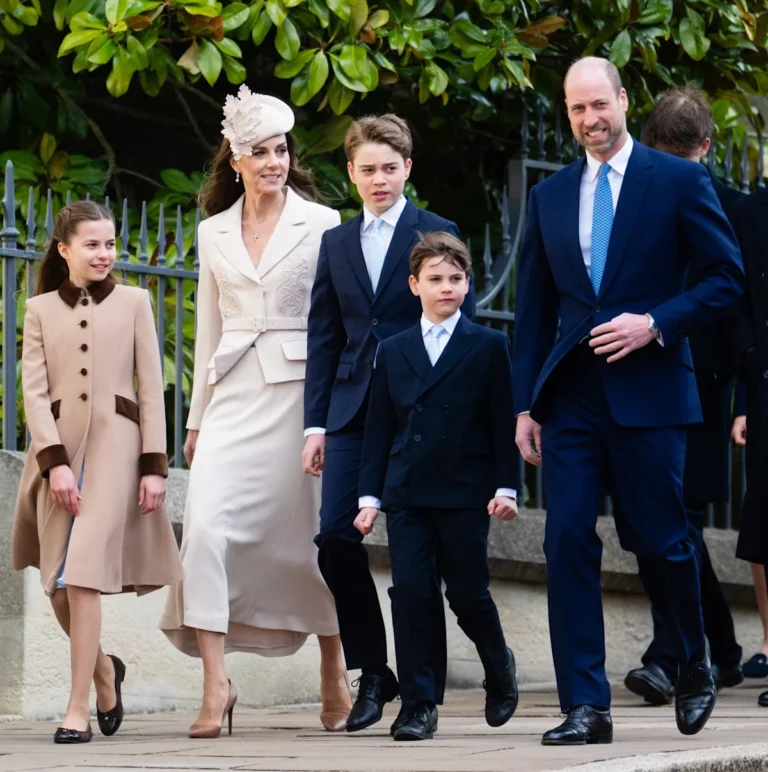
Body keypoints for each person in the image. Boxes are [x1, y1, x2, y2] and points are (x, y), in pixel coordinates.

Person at [513, 57, 744, 745]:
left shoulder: (676, 179)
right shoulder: (550, 197)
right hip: (573, 397)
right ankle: (586, 705)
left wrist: (657, 322)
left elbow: (724, 278)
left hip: (650, 390)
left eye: (599, 105)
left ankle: (693, 660)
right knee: (565, 539)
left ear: (620, 99)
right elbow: (532, 310)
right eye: (577, 109)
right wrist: (526, 405)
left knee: (660, 539)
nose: (590, 120)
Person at [159, 87, 351, 737]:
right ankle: (216, 686)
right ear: (234, 161)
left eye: (281, 149)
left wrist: (337, 411)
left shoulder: (323, 224)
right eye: (259, 152)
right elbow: (209, 330)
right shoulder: (212, 232)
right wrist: (194, 419)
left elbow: (338, 325)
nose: (273, 161)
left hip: (304, 397)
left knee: (311, 541)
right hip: (233, 398)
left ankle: (333, 666)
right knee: (206, 533)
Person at [302, 115, 476, 734]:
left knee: (415, 561)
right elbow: (324, 337)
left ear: (408, 169)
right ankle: (374, 669)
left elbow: (466, 336)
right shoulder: (337, 242)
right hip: (350, 413)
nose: (379, 179)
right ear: (350, 173)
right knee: (333, 539)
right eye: (367, 169)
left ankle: (422, 697)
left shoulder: (439, 232)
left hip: (419, 414)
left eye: (390, 167)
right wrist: (314, 425)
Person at [11, 201, 183, 744]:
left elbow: (152, 388)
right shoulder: (38, 309)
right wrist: (54, 463)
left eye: (110, 244)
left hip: (118, 451)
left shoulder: (135, 301)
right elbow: (34, 395)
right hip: (60, 455)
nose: (104, 253)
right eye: (92, 244)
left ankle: (77, 706)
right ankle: (106, 672)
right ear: (64, 250)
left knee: (82, 575)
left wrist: (155, 466)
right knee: (59, 587)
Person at [354, 232, 519, 741]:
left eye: (455, 279)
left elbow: (501, 423)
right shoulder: (393, 348)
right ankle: (420, 704)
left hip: (466, 490)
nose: (446, 288)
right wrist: (368, 497)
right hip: (407, 491)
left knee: (467, 594)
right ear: (413, 284)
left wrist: (506, 488)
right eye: (435, 279)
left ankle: (499, 662)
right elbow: (379, 427)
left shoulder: (490, 345)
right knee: (411, 594)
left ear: (468, 285)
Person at [621, 85, 743, 706]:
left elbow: (743, 304)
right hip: (642, 384)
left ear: (706, 148)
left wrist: (746, 396)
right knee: (655, 529)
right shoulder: (626, 200)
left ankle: (670, 657)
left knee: (676, 526)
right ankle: (717, 650)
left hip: (706, 389)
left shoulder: (736, 209)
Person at [725, 159, 768, 707]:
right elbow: (736, 307)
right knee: (764, 520)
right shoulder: (747, 214)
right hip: (764, 387)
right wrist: (744, 398)